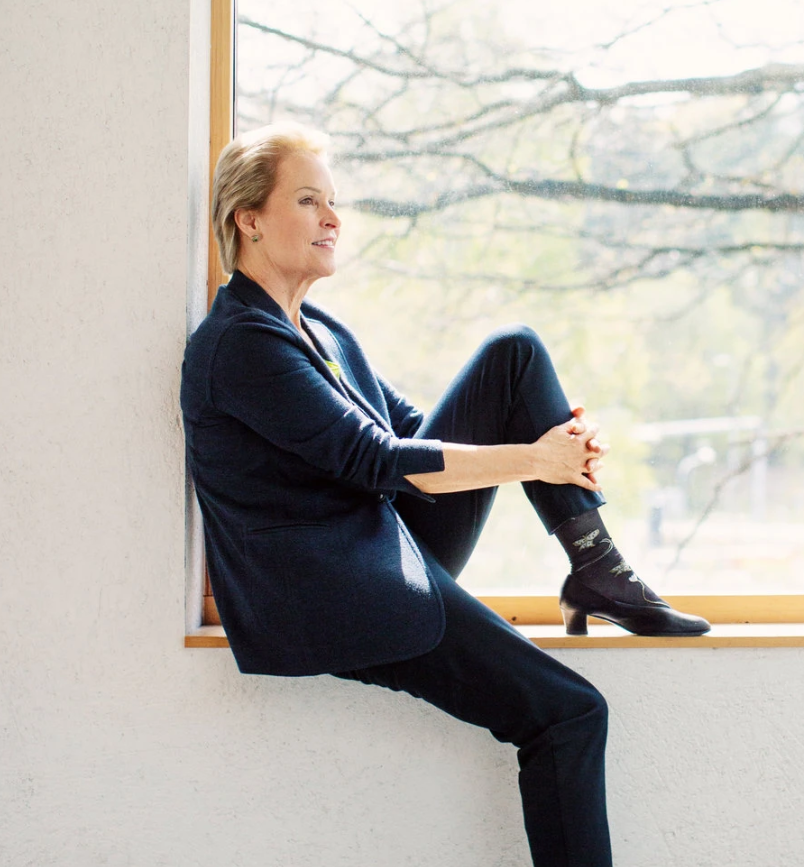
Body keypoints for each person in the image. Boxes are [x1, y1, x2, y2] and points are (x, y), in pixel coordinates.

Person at [180, 122, 710, 867]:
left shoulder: (318, 328)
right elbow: (376, 459)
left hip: (381, 548)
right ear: (250, 218)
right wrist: (536, 458)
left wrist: (555, 451)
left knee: (513, 356)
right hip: (337, 593)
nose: (334, 217)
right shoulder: (239, 342)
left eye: (334, 200)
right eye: (309, 200)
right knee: (570, 714)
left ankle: (595, 564)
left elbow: (408, 427)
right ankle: (594, 565)